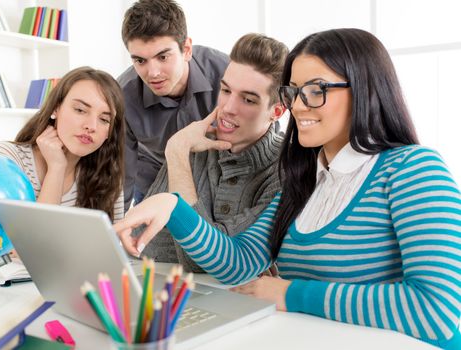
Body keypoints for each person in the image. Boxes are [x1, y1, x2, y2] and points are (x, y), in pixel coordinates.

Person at [114, 28, 461, 348]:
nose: (297, 105)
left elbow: (438, 311)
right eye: (293, 91)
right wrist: (174, 209)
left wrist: (290, 293)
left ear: (365, 90)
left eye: (316, 90)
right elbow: (239, 262)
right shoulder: (306, 180)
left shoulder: (413, 169)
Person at [140, 33, 287, 273]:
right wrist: (217, 238)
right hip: (181, 293)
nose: (227, 109)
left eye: (248, 100)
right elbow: (146, 243)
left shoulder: (286, 170)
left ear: (277, 111)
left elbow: (199, 262)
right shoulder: (191, 144)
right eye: (226, 91)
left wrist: (176, 156)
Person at [118, 0, 229, 208]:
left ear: (186, 49)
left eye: (162, 57)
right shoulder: (122, 96)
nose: (153, 73)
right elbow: (122, 174)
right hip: (154, 182)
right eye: (140, 61)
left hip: (219, 179)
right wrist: (115, 229)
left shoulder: (226, 72)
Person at [0, 66, 125, 221]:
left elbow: (110, 243)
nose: (92, 126)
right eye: (80, 110)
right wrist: (56, 168)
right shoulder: (6, 159)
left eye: (104, 119)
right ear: (55, 108)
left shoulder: (108, 177)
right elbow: (38, 240)